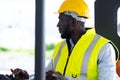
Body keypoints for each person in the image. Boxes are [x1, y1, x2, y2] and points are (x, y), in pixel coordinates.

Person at [46, 0, 119, 80]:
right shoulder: (60, 47)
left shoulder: (104, 48)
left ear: (73, 22)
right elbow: (47, 74)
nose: (58, 25)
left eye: (61, 20)